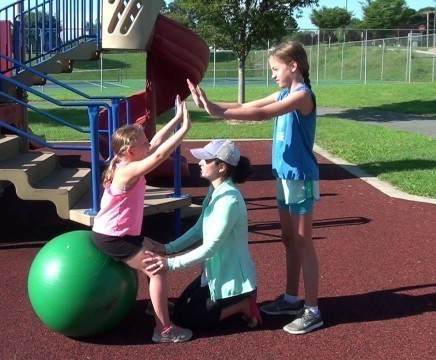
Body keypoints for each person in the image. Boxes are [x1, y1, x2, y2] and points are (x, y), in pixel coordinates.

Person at [186, 40, 323, 335]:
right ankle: (290, 299)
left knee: (303, 243)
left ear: (293, 65)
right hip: (285, 176)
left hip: (301, 178)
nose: (272, 74)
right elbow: (248, 106)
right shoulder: (285, 92)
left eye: (276, 68)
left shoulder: (302, 96)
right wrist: (213, 107)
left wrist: (220, 113)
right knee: (288, 239)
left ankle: (312, 310)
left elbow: (264, 114)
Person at [91, 96, 193, 343]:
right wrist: (184, 131)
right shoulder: (127, 170)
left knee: (158, 252)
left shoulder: (123, 160)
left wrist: (176, 120)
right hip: (114, 238)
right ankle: (164, 330)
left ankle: (153, 305)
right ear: (130, 151)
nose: (148, 144)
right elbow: (157, 157)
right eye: (143, 143)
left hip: (123, 234)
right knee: (158, 270)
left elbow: (155, 145)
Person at [142, 139, 261, 331]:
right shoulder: (214, 191)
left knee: (186, 319)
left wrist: (170, 263)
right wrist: (167, 248)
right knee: (180, 309)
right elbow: (199, 229)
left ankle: (243, 304)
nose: (199, 163)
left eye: (206, 160)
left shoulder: (229, 200)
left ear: (221, 167)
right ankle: (231, 302)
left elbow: (210, 248)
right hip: (215, 274)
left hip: (234, 280)